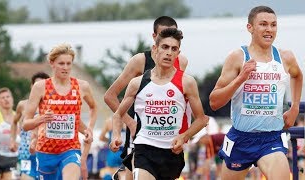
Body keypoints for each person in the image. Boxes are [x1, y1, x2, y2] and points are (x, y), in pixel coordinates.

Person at [209, 6, 303, 180]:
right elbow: (214, 102)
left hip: (271, 139)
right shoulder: (238, 57)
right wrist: (241, 78)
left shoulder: (285, 57)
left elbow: (297, 76)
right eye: (263, 24)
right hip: (241, 138)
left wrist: (295, 107)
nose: (269, 30)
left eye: (274, 25)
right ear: (250, 28)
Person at [112, 28, 209, 180]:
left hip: (171, 153)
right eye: (165, 47)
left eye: (174, 49)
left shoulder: (187, 82)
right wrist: (116, 134)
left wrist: (184, 136)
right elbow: (118, 114)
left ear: (178, 53)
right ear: (155, 49)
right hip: (144, 149)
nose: (169, 53)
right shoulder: (137, 83)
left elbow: (202, 120)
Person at [104, 15, 188, 179]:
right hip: (141, 134)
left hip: (167, 136)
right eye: (163, 37)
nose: (167, 46)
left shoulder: (182, 61)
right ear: (154, 38)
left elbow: (183, 99)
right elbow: (110, 96)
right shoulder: (140, 60)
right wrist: (131, 123)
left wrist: (185, 132)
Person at [22, 43, 97, 180]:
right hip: (45, 151)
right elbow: (25, 124)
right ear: (52, 63)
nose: (66, 67)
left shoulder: (82, 86)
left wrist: (89, 129)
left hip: (70, 148)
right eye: (61, 63)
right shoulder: (40, 87)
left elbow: (93, 107)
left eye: (69, 63)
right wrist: (42, 118)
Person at [10, 72, 50, 180]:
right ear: (31, 86)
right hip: (26, 153)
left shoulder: (52, 106)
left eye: (43, 85)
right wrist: (12, 140)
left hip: (45, 153)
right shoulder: (22, 105)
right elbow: (14, 122)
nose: (39, 88)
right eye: (36, 85)